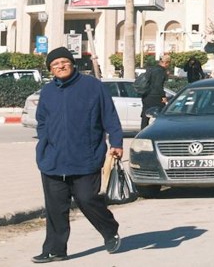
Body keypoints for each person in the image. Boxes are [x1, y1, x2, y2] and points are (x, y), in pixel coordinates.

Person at [32, 47, 123, 263]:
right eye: (55, 64)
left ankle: (109, 230)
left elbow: (110, 117)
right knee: (55, 207)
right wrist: (43, 143)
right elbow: (42, 121)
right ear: (50, 69)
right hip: (53, 159)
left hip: (86, 156)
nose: (60, 66)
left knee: (87, 199)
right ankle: (55, 249)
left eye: (64, 62)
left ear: (73, 64)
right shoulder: (47, 92)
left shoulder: (93, 87)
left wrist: (116, 142)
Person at [137, 54, 170, 129]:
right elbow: (158, 86)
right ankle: (160, 131)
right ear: (166, 62)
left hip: (146, 95)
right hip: (155, 96)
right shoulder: (160, 71)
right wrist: (163, 96)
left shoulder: (151, 69)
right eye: (168, 63)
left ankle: (143, 132)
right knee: (162, 114)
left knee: (145, 116)